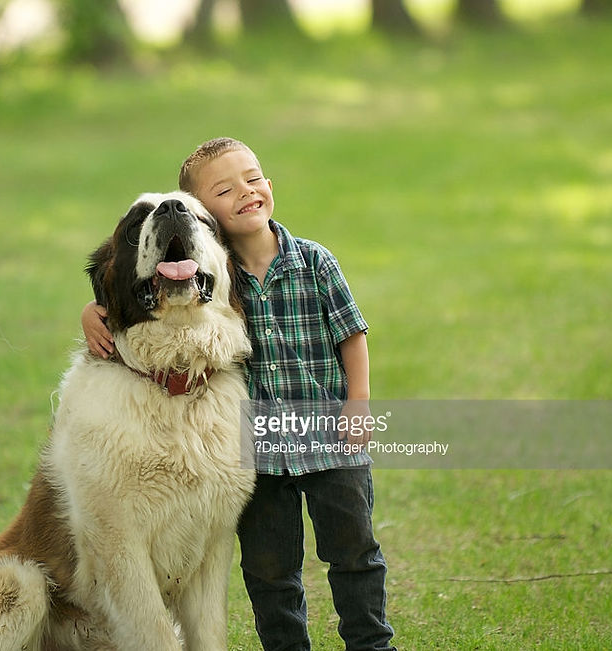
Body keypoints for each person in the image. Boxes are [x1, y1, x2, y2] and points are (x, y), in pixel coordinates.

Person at [82, 137, 396, 651]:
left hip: (332, 436)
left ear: (269, 186)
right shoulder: (218, 274)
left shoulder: (315, 262)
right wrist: (90, 310)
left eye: (253, 180)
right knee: (270, 570)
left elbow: (352, 334)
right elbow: (146, 285)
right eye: (225, 191)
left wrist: (359, 405)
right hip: (262, 448)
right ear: (210, 219)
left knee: (354, 551)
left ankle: (372, 644)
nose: (246, 193)